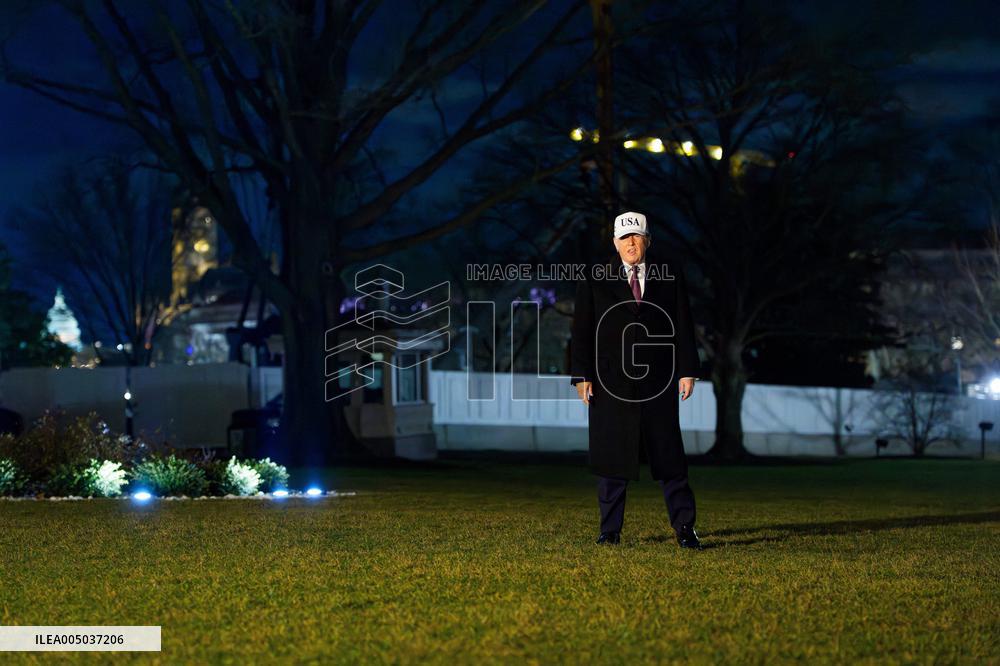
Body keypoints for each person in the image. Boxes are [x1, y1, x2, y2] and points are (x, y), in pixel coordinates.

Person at [570, 211, 703, 548]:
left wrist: (687, 369)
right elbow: (582, 331)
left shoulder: (669, 275)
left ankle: (685, 528)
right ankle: (609, 531)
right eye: (624, 237)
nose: (631, 243)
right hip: (609, 383)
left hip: (658, 380)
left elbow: (683, 323)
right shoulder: (594, 277)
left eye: (637, 236)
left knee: (669, 457)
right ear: (615, 243)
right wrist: (581, 375)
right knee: (612, 458)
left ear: (647, 240)